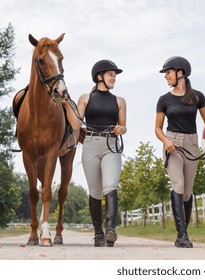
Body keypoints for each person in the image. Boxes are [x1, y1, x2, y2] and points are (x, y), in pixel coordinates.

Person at [155, 56, 205, 248]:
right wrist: (165, 141)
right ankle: (182, 235)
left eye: (168, 72)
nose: (166, 76)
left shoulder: (197, 97)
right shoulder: (164, 100)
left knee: (187, 193)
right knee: (178, 186)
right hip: (172, 144)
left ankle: (183, 232)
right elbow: (157, 128)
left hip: (191, 143)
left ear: (181, 73)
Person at [63, 59, 127, 247]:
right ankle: (98, 233)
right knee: (95, 192)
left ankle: (110, 230)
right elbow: (75, 124)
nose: (114, 78)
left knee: (110, 186)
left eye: (115, 75)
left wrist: (122, 129)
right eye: (111, 74)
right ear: (100, 77)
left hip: (111, 145)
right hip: (90, 144)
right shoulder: (85, 98)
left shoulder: (120, 101)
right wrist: (67, 104)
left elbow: (123, 125)